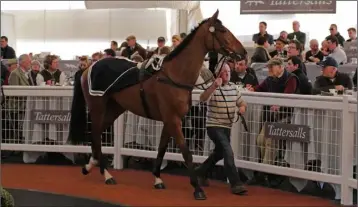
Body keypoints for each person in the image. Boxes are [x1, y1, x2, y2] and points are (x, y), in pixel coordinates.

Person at [195, 63, 248, 195]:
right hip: (214, 126)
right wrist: (214, 86)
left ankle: (201, 172)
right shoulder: (212, 87)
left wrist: (242, 108)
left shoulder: (234, 88)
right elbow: (202, 98)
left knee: (219, 153)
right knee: (227, 151)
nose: (227, 73)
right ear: (218, 74)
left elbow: (242, 102)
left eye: (228, 71)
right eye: (224, 72)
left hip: (227, 127)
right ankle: (236, 183)